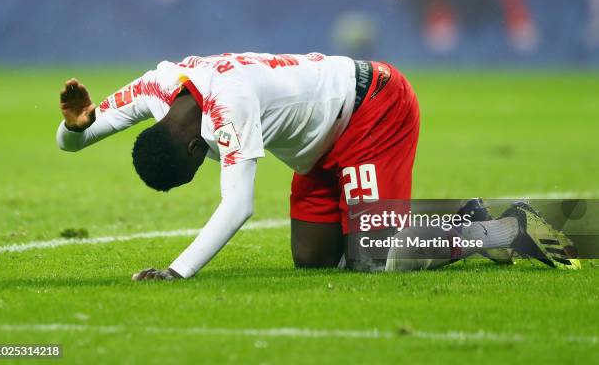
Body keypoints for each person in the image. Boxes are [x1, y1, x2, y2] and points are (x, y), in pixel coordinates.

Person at [56, 52, 578, 280]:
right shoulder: (156, 92)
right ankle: (453, 222)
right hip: (319, 143)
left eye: (202, 165)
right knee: (313, 258)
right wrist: (74, 126)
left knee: (370, 257)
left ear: (196, 150)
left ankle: (498, 227)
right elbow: (76, 139)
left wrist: (177, 270)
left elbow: (238, 204)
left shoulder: (227, 106)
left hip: (373, 107)